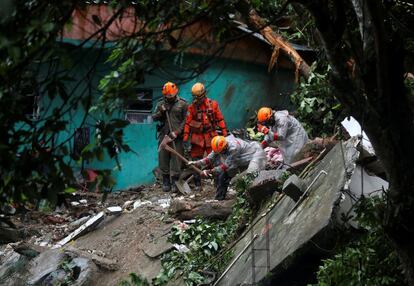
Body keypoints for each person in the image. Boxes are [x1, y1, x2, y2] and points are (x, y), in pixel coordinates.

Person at [188, 135, 266, 200]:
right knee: (223, 176)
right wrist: (196, 163)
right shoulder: (218, 146)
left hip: (253, 156)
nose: (220, 153)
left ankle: (257, 195)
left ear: (225, 147)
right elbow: (209, 159)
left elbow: (225, 166)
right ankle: (219, 199)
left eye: (221, 151)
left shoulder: (234, 148)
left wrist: (210, 171)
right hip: (239, 160)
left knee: (252, 175)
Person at [183, 82, 228, 191]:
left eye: (199, 97)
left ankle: (218, 182)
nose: (197, 99)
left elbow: (220, 119)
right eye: (195, 97)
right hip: (197, 138)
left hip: (211, 137)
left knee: (215, 160)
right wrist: (185, 138)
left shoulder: (213, 104)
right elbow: (188, 123)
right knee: (195, 160)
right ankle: (198, 184)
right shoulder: (192, 108)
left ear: (204, 94)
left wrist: (224, 133)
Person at [152, 82, 188, 192]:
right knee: (163, 158)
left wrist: (177, 132)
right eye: (167, 96)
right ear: (164, 95)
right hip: (164, 135)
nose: (169, 97)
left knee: (176, 160)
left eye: (171, 96)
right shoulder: (160, 104)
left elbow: (186, 121)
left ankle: (175, 182)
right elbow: (153, 117)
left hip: (177, 136)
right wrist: (161, 112)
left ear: (175, 92)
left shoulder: (183, 104)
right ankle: (166, 181)